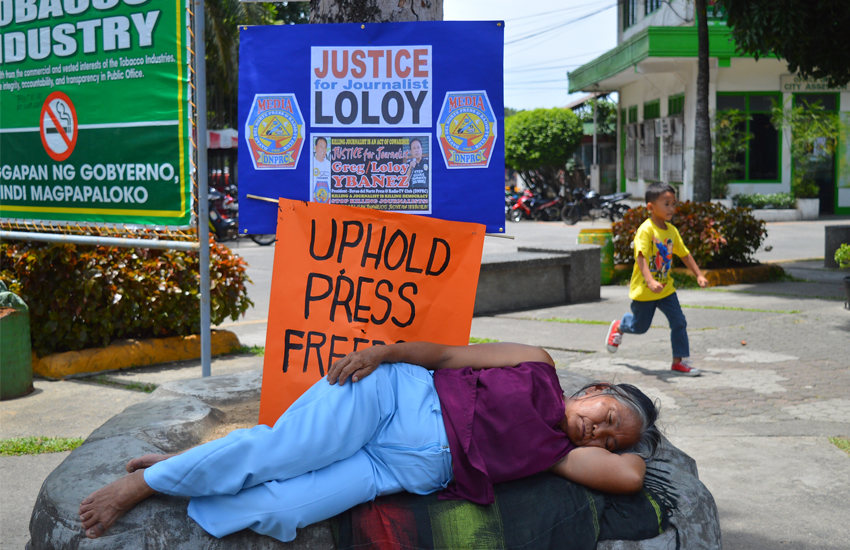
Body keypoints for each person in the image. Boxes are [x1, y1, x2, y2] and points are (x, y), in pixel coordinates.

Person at [79, 341, 661, 543]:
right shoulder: (537, 364)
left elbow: (631, 476)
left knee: (279, 510)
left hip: (398, 471)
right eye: (606, 412)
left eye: (613, 437)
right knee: (280, 451)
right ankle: (144, 482)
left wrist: (638, 440)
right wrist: (383, 353)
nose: (600, 430)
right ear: (596, 387)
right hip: (392, 398)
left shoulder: (559, 455)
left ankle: (190, 470)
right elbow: (450, 356)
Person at [605, 182, 709, 376]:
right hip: (645, 290)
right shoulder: (646, 230)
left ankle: (680, 361)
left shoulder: (671, 231)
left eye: (673, 204)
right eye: (666, 203)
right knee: (640, 327)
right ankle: (620, 325)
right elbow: (641, 257)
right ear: (650, 207)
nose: (671, 208)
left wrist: (699, 274)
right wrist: (650, 281)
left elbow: (684, 254)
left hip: (666, 289)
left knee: (679, 321)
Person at [311, 137, 331, 203]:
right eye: (321, 147)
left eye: (325, 147)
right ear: (315, 147)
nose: (323, 150)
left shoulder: (329, 164)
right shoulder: (311, 163)